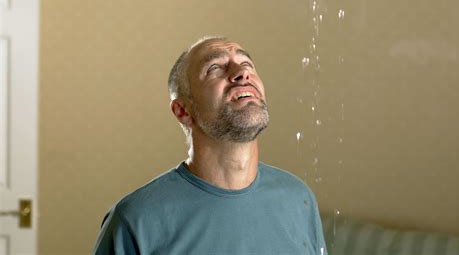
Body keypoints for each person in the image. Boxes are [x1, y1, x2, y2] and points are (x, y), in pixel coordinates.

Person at [94, 36, 328, 254]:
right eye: (215, 68)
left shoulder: (299, 199)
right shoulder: (135, 221)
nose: (241, 73)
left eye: (247, 64)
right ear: (183, 111)